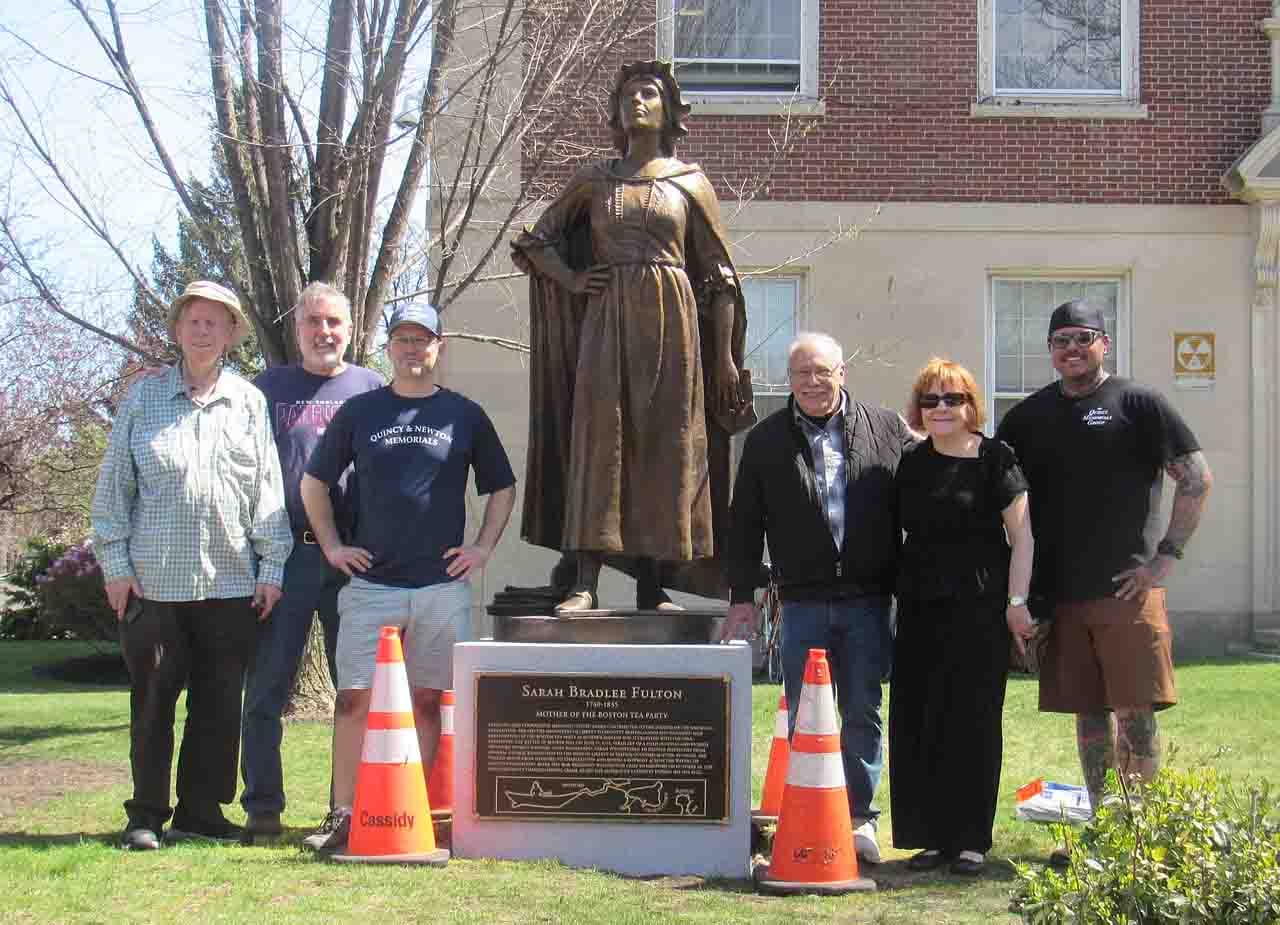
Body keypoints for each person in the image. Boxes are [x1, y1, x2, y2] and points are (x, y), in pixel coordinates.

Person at [511, 59, 752, 611]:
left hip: (675, 327)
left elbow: (719, 276)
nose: (636, 102)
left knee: (666, 446)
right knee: (601, 442)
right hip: (607, 322)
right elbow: (535, 241)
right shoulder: (594, 180)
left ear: (669, 110)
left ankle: (652, 584)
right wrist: (573, 279)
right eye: (628, 96)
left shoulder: (690, 182)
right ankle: (584, 581)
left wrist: (723, 358)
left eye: (648, 93)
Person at [299, 301, 516, 854]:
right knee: (353, 700)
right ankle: (344, 813)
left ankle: (407, 812)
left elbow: (501, 487)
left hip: (441, 588)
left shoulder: (464, 415)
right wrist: (333, 546)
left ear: (439, 346)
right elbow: (314, 483)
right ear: (389, 347)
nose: (412, 348)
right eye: (402, 339)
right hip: (371, 588)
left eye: (422, 339)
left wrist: (482, 548)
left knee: (425, 701)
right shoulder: (361, 412)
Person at [996, 299, 1212, 852]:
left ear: (1103, 344)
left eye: (1083, 338)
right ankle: (1105, 827)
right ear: (1050, 350)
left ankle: (1144, 835)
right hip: (1060, 595)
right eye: (1061, 340)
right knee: (1089, 714)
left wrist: (1165, 558)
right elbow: (994, 489)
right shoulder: (1026, 418)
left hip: (1126, 590)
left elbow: (1196, 478)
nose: (1072, 348)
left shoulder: (1138, 403)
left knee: (1136, 712)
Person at [91, 280, 292, 850]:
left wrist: (271, 568)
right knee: (153, 705)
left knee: (218, 708)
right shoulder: (144, 399)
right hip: (153, 588)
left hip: (230, 586)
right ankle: (146, 816)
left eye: (214, 323)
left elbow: (267, 491)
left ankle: (201, 813)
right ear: (178, 330)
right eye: (194, 321)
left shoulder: (248, 402)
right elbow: (113, 491)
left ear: (230, 334)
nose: (203, 331)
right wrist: (115, 566)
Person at [720, 331, 914, 865]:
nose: (811, 382)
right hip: (801, 602)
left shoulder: (885, 429)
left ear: (842, 373)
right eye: (801, 373)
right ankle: (807, 814)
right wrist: (741, 597)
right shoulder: (765, 441)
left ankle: (860, 818)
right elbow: (744, 524)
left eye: (822, 371)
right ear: (790, 379)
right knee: (806, 715)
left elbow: (927, 492)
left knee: (862, 709)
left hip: (867, 599)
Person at [239, 282, 383, 842]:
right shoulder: (267, 390)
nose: (324, 332)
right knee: (266, 690)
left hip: (355, 561)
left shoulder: (372, 389)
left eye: (334, 323)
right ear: (297, 328)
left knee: (358, 691)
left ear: (350, 329)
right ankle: (263, 809)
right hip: (287, 556)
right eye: (314, 322)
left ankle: (349, 809)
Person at [889, 358, 1035, 876]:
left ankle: (971, 839)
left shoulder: (997, 459)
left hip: (979, 609)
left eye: (952, 399)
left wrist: (1016, 603)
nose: (941, 409)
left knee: (973, 721)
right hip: (920, 608)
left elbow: (1023, 538)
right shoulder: (912, 462)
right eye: (930, 400)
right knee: (921, 718)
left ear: (971, 405)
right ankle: (929, 837)